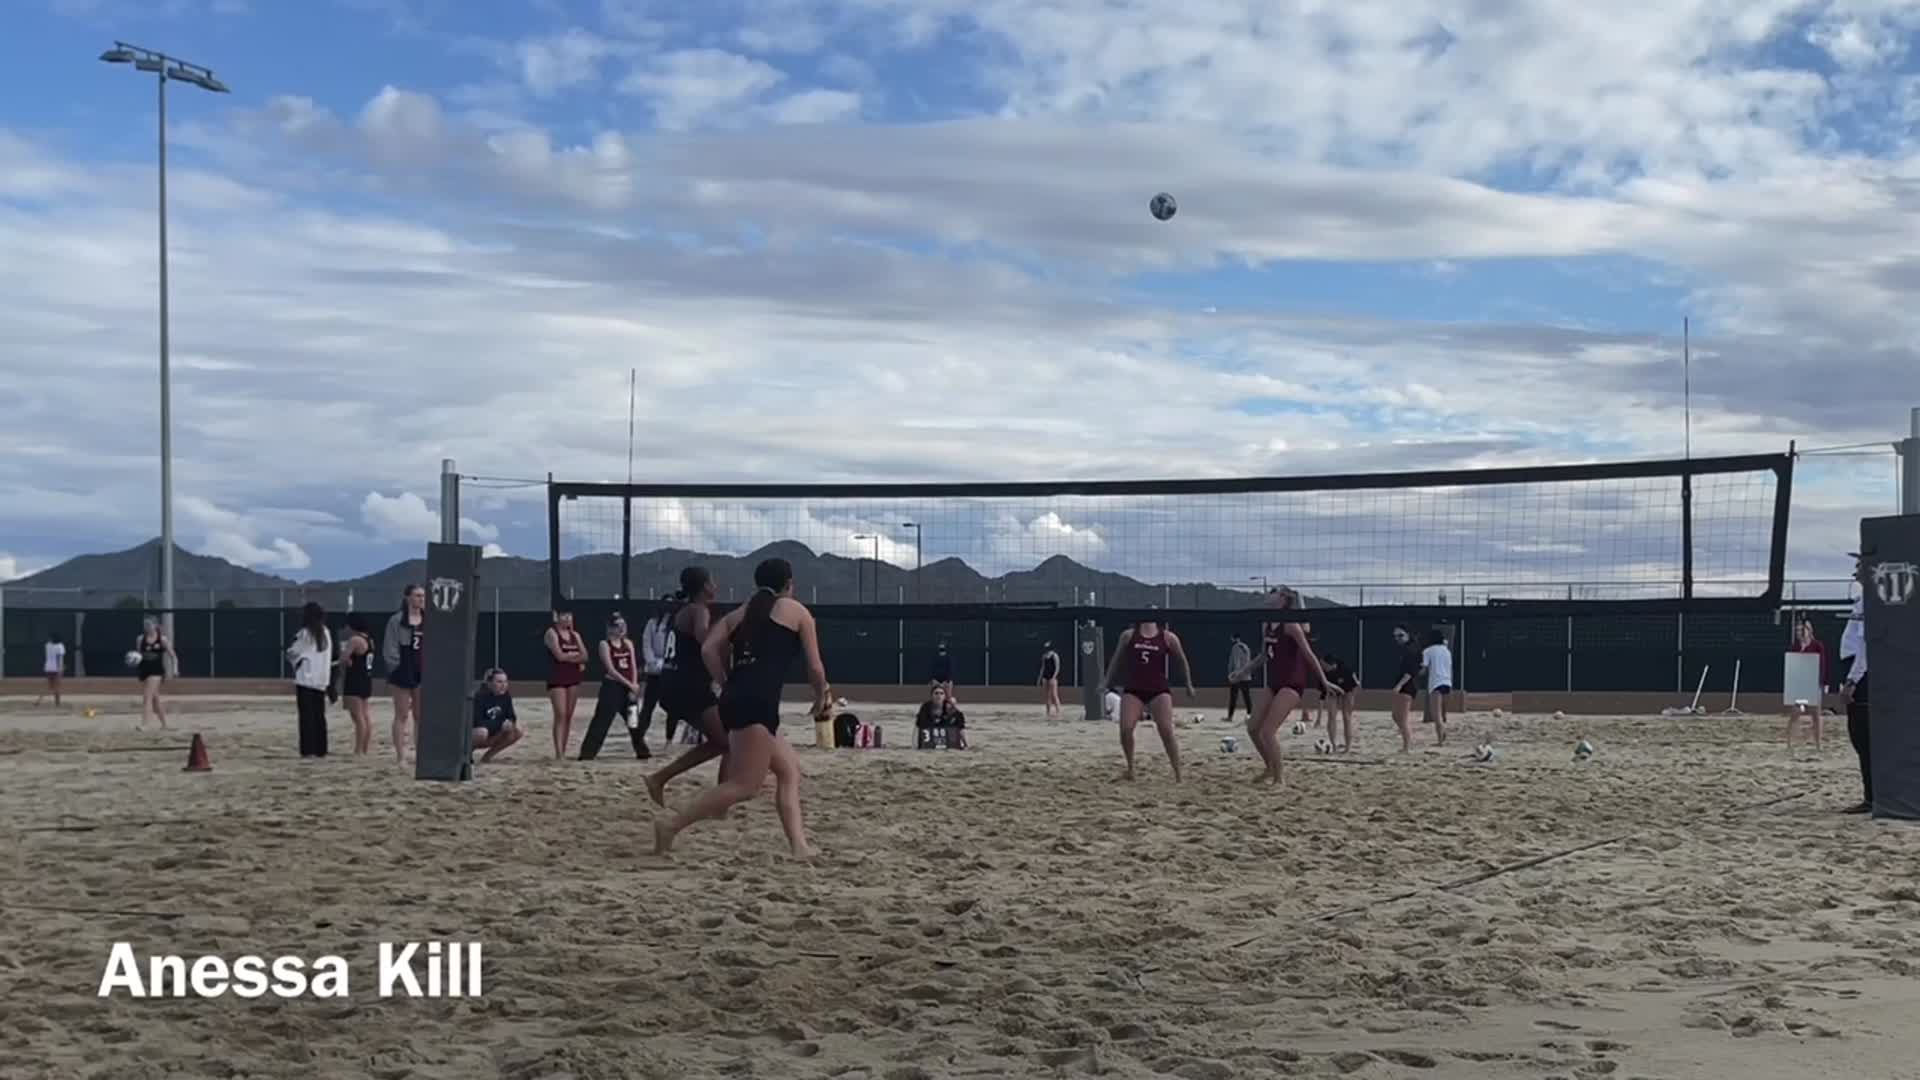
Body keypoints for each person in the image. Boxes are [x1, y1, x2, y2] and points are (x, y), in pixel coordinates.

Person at [653, 557, 827, 857]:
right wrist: (821, 694)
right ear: (788, 585)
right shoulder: (796, 610)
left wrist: (724, 681)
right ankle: (671, 824)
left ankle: (799, 846)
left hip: (735, 699)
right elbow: (814, 666)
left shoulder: (741, 614)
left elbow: (708, 649)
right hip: (757, 704)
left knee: (788, 771)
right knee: (745, 786)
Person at [646, 567, 731, 807]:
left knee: (727, 741)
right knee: (726, 741)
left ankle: (719, 800)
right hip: (688, 686)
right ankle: (661, 779)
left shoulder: (682, 611)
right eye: (713, 581)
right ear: (705, 586)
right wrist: (730, 633)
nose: (716, 585)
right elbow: (707, 643)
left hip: (674, 684)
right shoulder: (698, 611)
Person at [1233, 588, 1335, 785]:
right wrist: (1242, 672)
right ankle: (1270, 768)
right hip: (1274, 682)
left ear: (1282, 599)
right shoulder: (1266, 624)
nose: (1268, 594)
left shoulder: (1290, 626)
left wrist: (1324, 681)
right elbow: (1263, 656)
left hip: (1292, 683)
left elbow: (1309, 655)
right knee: (1253, 728)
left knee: (1267, 732)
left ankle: (1279, 780)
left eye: (1273, 592)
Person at [1101, 612, 1195, 781]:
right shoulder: (1129, 635)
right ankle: (1130, 769)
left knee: (1166, 730)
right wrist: (1106, 681)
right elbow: (1116, 660)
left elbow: (1182, 660)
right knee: (1125, 729)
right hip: (1134, 688)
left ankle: (1178, 773)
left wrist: (1188, 683)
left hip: (1158, 689)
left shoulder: (1168, 637)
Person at [580, 613, 647, 760]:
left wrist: (634, 685)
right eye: (618, 625)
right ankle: (587, 754)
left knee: (633, 720)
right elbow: (611, 669)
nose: (622, 628)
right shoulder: (604, 644)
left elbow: (633, 666)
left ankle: (642, 752)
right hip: (612, 687)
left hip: (628, 687)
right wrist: (629, 683)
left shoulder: (628, 643)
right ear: (610, 628)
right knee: (602, 721)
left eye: (623, 625)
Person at [382, 585, 427, 764]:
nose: (421, 599)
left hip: (422, 669)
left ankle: (421, 753)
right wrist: (396, 667)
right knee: (401, 714)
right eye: (417, 595)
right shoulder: (397, 620)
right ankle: (401, 755)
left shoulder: (429, 619)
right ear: (407, 597)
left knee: (420, 715)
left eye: (423, 596)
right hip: (403, 668)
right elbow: (390, 647)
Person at [1841, 553, 1870, 813]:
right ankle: (1871, 795)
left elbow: (1864, 647)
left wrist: (1852, 679)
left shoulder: (1870, 602)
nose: (1855, 569)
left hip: (1861, 675)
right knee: (1861, 738)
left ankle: (1872, 797)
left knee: (1862, 737)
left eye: (1859, 564)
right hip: (1859, 672)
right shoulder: (1864, 600)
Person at [285, 602, 332, 758]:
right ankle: (321, 748)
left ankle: (308, 749)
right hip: (321, 679)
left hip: (306, 679)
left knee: (306, 716)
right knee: (319, 715)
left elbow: (294, 652)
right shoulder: (326, 632)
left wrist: (290, 655)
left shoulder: (305, 633)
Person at [544, 609, 588, 758]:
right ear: (557, 617)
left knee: (568, 715)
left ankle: (563, 749)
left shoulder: (575, 635)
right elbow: (559, 656)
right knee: (560, 714)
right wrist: (575, 657)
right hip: (557, 677)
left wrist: (572, 657)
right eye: (564, 615)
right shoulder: (551, 633)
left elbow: (585, 656)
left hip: (573, 677)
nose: (568, 618)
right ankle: (558, 752)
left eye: (570, 615)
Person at [1786, 618, 1830, 750]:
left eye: (1802, 629)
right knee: (1795, 713)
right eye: (1798, 630)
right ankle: (1789, 742)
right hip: (1799, 684)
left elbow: (1823, 664)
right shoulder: (1795, 647)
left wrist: (1824, 682)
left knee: (1816, 715)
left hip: (1814, 682)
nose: (1800, 632)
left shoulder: (1817, 645)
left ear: (1809, 631)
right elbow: (1792, 666)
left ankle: (1818, 744)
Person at [336, 614, 376, 755]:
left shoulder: (354, 640)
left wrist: (345, 659)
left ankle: (358, 749)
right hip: (366, 679)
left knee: (357, 716)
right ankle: (364, 748)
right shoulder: (369, 640)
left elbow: (343, 658)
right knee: (365, 715)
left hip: (354, 680)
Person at [636, 604, 674, 744]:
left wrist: (668, 662)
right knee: (648, 706)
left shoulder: (677, 623)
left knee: (672, 709)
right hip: (654, 670)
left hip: (671, 670)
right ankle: (639, 737)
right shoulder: (652, 623)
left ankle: (668, 740)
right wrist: (652, 662)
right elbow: (646, 643)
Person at [471, 668, 525, 762]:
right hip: (476, 733)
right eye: (499, 682)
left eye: (505, 682)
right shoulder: (479, 696)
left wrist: (510, 722)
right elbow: (477, 721)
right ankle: (467, 754)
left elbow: (511, 715)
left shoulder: (505, 695)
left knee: (517, 731)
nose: (504, 685)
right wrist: (500, 724)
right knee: (482, 732)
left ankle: (488, 756)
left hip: (495, 731)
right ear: (489, 683)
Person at [133, 615, 174, 729]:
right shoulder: (140, 639)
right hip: (145, 671)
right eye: (145, 625)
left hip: (156, 671)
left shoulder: (162, 639)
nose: (146, 627)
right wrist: (135, 662)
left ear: (155, 625)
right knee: (155, 700)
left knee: (147, 697)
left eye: (149, 624)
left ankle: (145, 725)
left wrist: (175, 669)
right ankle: (165, 724)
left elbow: (173, 656)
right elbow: (139, 655)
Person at [1388, 626, 1421, 752]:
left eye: (1401, 635)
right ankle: (1406, 742)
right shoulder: (1404, 650)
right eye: (1395, 636)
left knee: (1402, 717)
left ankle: (1406, 746)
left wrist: (1399, 685)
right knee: (1396, 716)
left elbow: (1410, 672)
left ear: (1408, 634)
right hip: (1403, 686)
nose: (1398, 638)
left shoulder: (1411, 650)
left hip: (1407, 686)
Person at [1319, 650, 1360, 751]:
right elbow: (1322, 695)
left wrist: (1351, 698)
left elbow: (1356, 686)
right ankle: (1333, 745)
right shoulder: (1323, 673)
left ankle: (1348, 746)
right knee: (1331, 715)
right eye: (1321, 665)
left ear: (1332, 664)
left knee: (1346, 717)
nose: (1323, 667)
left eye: (1324, 665)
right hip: (1333, 692)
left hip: (1347, 691)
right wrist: (1318, 718)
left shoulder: (1346, 670)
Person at [1421, 629, 1454, 746]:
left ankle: (1440, 740)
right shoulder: (1447, 651)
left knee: (1436, 714)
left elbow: (1424, 669)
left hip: (1435, 683)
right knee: (1443, 713)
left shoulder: (1427, 651)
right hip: (1447, 682)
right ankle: (1442, 734)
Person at [916, 683, 968, 748]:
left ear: (944, 696)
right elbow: (920, 726)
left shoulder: (950, 707)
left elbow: (960, 726)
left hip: (946, 735)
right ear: (932, 696)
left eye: (941, 693)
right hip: (930, 735)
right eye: (936, 693)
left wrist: (965, 743)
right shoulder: (925, 707)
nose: (939, 695)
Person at [1225, 633, 1254, 723]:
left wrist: (1234, 675)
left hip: (1237, 677)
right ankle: (1251, 715)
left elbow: (1236, 663)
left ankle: (1230, 716)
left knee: (1233, 697)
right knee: (1247, 697)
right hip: (1246, 676)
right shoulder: (1246, 647)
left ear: (1235, 638)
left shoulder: (1236, 647)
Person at [37, 631, 66, 708]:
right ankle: (57, 703)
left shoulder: (47, 645)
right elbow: (59, 658)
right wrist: (60, 668)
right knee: (57, 686)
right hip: (56, 668)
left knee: (48, 685)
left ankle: (39, 700)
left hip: (48, 667)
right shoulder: (60, 646)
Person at [1037, 642, 1062, 719]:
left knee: (1054, 695)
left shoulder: (1054, 655)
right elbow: (1043, 667)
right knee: (1047, 696)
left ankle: (1058, 711)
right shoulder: (1044, 656)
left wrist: (1053, 677)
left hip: (1052, 677)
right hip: (1045, 677)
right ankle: (1048, 712)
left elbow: (1057, 667)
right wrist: (1039, 678)